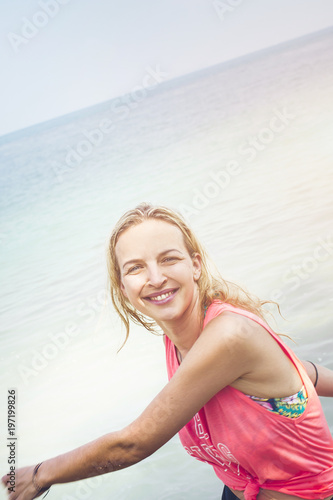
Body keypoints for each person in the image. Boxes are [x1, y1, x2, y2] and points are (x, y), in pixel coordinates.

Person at [2, 202, 333, 500]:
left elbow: (133, 444)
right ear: (123, 287)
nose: (156, 278)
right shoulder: (181, 337)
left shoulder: (230, 334)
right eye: (135, 268)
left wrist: (39, 475)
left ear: (196, 265)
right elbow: (291, 371)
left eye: (168, 259)